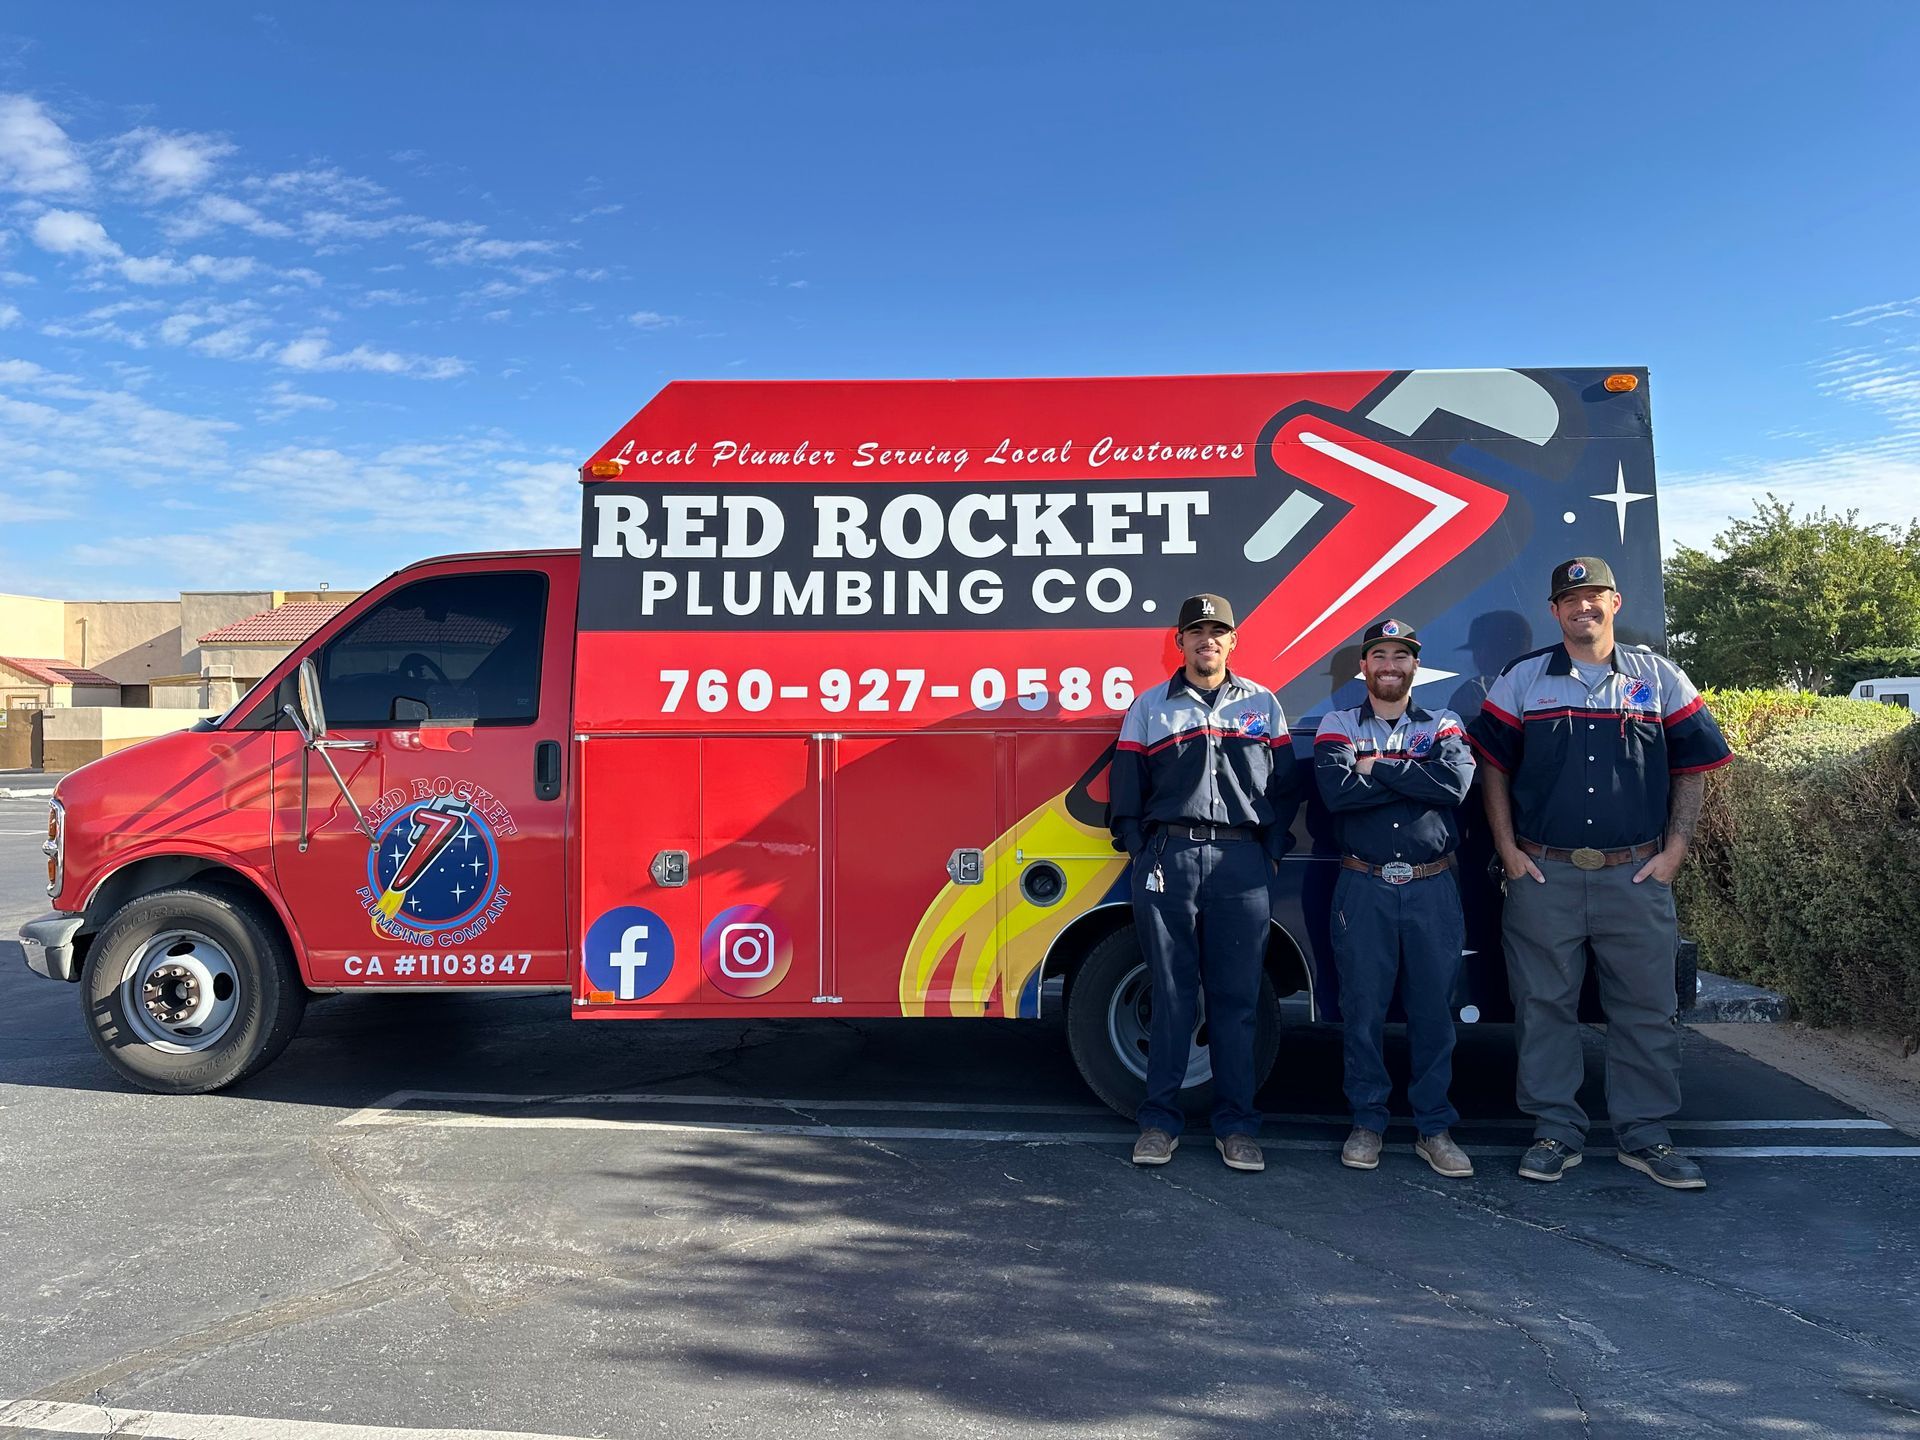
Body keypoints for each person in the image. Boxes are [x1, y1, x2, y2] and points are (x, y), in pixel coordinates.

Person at [1467, 557, 1732, 1189]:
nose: (1581, 608)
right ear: (1553, 612)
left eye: (1593, 597)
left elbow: (1693, 765)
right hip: (1545, 876)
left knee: (1645, 1008)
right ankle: (1556, 1130)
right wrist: (1508, 850)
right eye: (1569, 600)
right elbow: (1493, 769)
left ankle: (1647, 1136)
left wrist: (1675, 852)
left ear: (1614, 602)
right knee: (1544, 1006)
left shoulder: (1659, 677)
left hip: (1636, 875)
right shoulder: (1522, 681)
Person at [1109, 593, 1300, 1172]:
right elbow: (1125, 788)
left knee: (1237, 1000)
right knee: (1171, 995)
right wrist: (1142, 851)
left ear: (1232, 642)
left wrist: (1269, 848)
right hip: (1169, 859)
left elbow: (1285, 787)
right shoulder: (1149, 707)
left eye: (1217, 631)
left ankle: (1236, 1126)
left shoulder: (1264, 705)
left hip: (1241, 863)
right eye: (1196, 632)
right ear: (1181, 641)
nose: (1206, 641)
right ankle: (1159, 1123)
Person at [1314, 620, 1476, 1178]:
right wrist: (1416, 770)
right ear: (1364, 666)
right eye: (1378, 654)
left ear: (1414, 667)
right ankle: (1368, 1122)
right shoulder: (1336, 724)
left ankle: (1434, 1126)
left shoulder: (1445, 721)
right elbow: (1336, 793)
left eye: (1400, 656)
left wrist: (1376, 766)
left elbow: (1454, 786)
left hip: (1433, 886)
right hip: (1364, 886)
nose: (1389, 664)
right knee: (1363, 1011)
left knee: (1434, 1013)